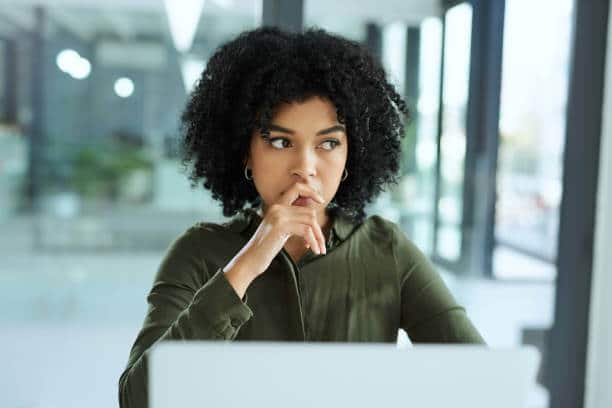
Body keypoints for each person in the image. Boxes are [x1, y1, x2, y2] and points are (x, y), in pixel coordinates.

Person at [118, 26, 485, 408]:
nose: (305, 168)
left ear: (350, 157)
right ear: (245, 151)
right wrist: (245, 266)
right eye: (280, 142)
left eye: (328, 143)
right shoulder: (198, 251)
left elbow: (479, 381)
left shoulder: (387, 250)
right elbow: (138, 399)